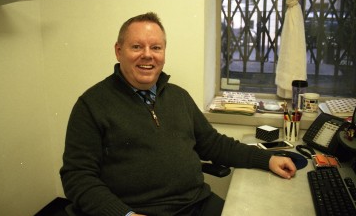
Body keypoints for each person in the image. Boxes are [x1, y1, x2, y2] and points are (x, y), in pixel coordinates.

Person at [60, 12, 297, 216]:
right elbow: (77, 177)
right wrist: (125, 214)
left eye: (156, 47)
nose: (147, 55)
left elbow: (214, 145)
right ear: (118, 51)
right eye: (136, 47)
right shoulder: (91, 105)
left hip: (196, 204)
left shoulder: (178, 97)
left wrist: (266, 159)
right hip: (139, 211)